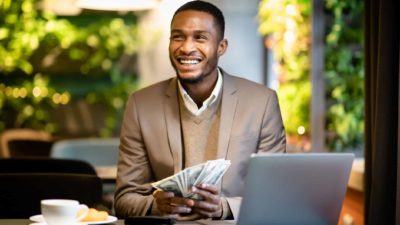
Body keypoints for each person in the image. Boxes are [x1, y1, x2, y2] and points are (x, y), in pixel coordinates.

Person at [114, 0, 286, 220]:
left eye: (200, 37)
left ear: (221, 47)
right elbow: (125, 199)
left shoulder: (262, 102)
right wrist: (156, 206)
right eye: (178, 37)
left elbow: (274, 198)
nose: (186, 47)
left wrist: (223, 207)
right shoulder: (141, 105)